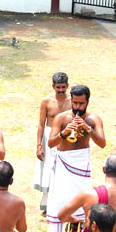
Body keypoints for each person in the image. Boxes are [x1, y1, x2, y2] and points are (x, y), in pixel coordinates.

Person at [44, 85, 106, 232]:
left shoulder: (94, 119)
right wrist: (64, 133)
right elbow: (51, 143)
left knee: (82, 198)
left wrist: (87, 128)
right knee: (61, 197)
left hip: (81, 163)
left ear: (87, 102)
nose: (77, 107)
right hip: (64, 163)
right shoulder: (61, 118)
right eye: (75, 102)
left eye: (81, 103)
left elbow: (102, 143)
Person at [33, 72, 70, 215]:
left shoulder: (73, 100)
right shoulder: (46, 101)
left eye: (63, 87)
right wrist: (39, 146)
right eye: (58, 87)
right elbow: (41, 125)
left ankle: (64, 204)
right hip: (49, 138)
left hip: (67, 138)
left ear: (67, 86)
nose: (61, 90)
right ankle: (47, 205)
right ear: (53, 86)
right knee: (49, 169)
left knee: (65, 169)